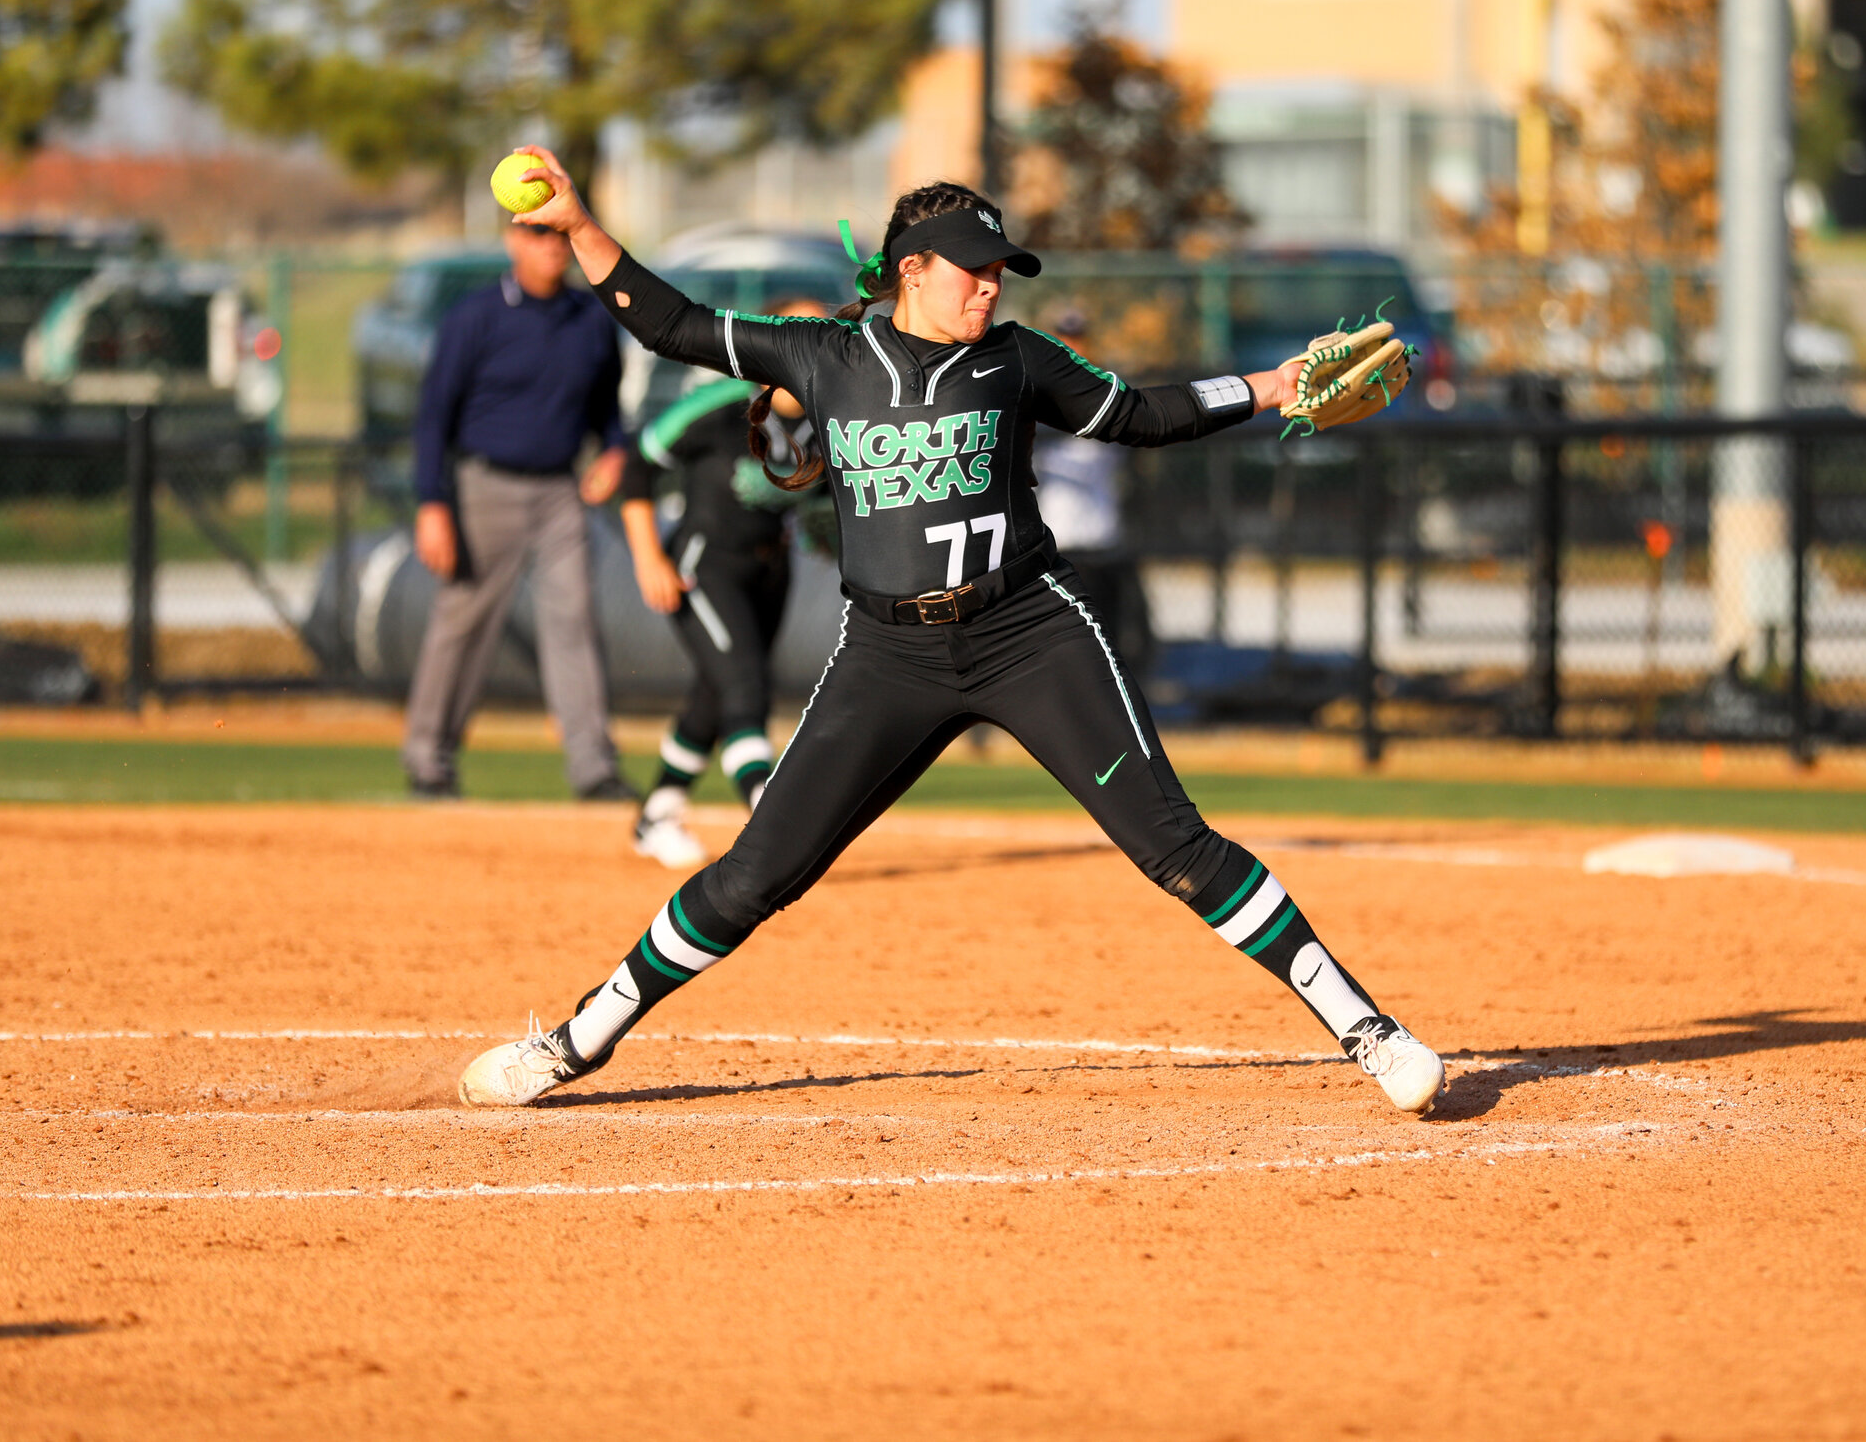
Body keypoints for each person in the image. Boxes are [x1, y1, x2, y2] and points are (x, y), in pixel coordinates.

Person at [457, 154, 1444, 1117]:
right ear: (911, 269)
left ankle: (1371, 1031)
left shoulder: (1018, 360)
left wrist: (1267, 386)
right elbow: (670, 324)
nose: (987, 284)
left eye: (997, 269)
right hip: (888, 656)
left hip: (1029, 631)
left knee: (1176, 846)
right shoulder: (825, 355)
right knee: (751, 876)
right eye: (971, 266)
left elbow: (1141, 416)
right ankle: (574, 1041)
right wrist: (582, 225)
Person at [401, 218, 636, 803]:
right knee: (463, 624)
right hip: (486, 488)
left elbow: (608, 411)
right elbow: (433, 417)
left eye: (559, 234)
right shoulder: (475, 317)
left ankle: (593, 767)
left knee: (575, 622)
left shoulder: (589, 319)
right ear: (511, 241)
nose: (552, 246)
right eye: (537, 234)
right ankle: (429, 759)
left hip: (560, 491)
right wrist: (432, 503)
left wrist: (614, 452)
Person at [617, 300, 834, 869]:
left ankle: (657, 813)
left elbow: (832, 509)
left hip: (769, 572)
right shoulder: (724, 405)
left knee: (717, 694)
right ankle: (772, 824)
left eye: (823, 328)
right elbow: (636, 466)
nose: (813, 339)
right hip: (702, 565)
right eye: (797, 328)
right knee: (744, 683)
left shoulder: (830, 418)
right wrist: (647, 559)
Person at [1032, 309, 1153, 673]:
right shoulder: (1034, 398)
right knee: (1061, 648)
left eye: (1078, 339)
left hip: (1103, 542)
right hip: (1057, 545)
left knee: (1113, 643)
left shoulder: (1105, 394)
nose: (1073, 347)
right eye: (1063, 338)